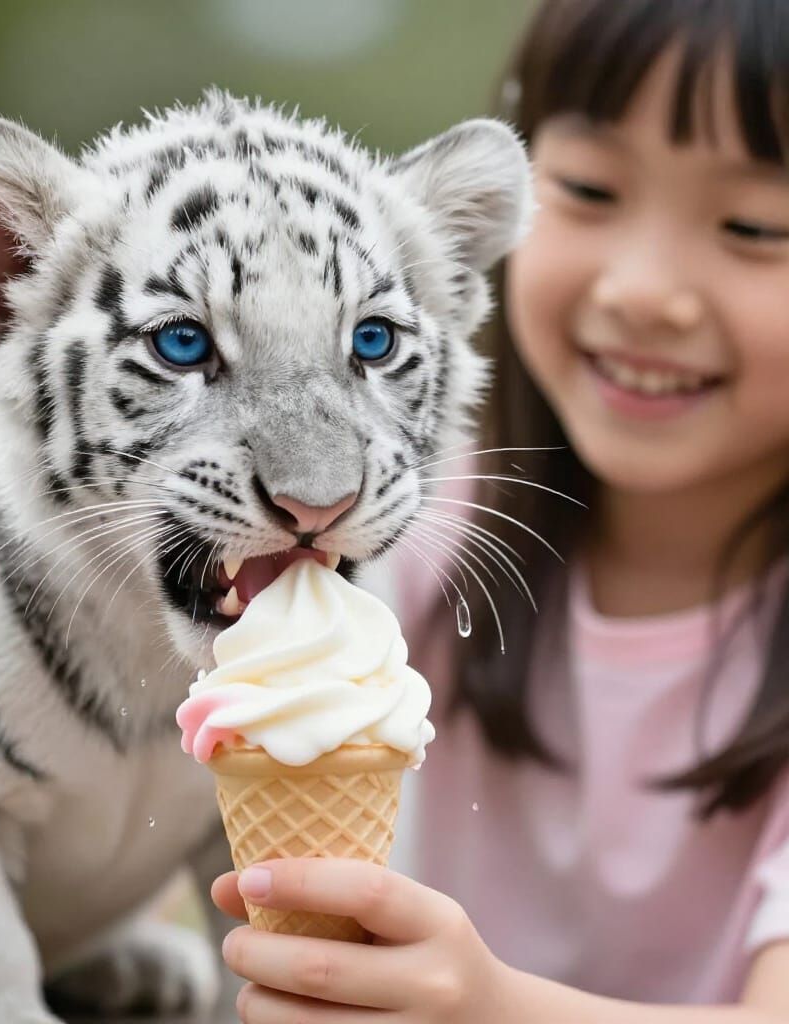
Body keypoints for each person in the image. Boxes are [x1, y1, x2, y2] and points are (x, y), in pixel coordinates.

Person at [210, 0, 789, 1019]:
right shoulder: (410, 527)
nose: (643, 290)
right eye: (589, 188)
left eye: (752, 226)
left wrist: (487, 1008)